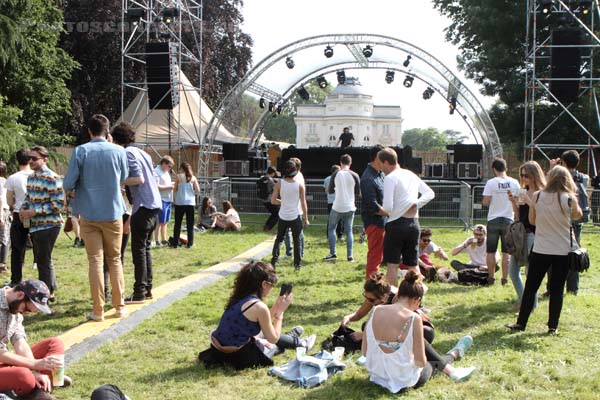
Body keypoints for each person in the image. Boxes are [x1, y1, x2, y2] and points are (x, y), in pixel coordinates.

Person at [362, 271, 476, 393]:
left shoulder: (376, 310)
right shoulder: (413, 318)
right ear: (417, 300)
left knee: (421, 355)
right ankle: (454, 355)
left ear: (398, 293)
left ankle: (454, 355)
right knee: (432, 364)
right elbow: (420, 362)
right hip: (404, 379)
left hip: (378, 374)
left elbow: (364, 352)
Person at [63, 114, 129, 321]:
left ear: (89, 131)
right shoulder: (119, 151)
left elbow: (67, 183)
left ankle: (98, 310)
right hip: (113, 212)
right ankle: (119, 307)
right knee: (115, 260)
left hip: (89, 214)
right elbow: (124, 177)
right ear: (107, 131)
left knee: (95, 261)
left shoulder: (81, 151)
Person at [507, 166, 582, 335]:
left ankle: (521, 323)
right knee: (557, 290)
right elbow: (577, 216)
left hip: (541, 248)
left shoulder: (538, 196)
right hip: (562, 250)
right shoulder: (569, 198)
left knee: (531, 286)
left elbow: (532, 221)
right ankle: (552, 326)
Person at [199, 262, 316, 370]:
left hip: (218, 350)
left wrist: (276, 306)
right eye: (272, 285)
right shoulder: (259, 307)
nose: (272, 289)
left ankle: (293, 340)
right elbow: (273, 338)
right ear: (264, 284)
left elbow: (261, 322)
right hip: (238, 357)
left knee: (265, 334)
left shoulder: (240, 296)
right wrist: (280, 312)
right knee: (273, 345)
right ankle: (300, 344)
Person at [111, 122, 162, 305]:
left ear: (117, 140)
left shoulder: (127, 153)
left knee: (138, 251)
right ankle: (147, 289)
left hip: (144, 205)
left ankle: (139, 292)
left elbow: (138, 179)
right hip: (154, 204)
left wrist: (118, 181)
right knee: (145, 248)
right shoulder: (143, 153)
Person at [0, 280, 72, 400]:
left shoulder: (15, 305)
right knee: (24, 376)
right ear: (20, 295)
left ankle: (47, 382)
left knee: (54, 343)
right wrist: (34, 365)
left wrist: (34, 370)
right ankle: (42, 386)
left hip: (4, 359)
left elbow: (20, 342)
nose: (25, 314)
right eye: (26, 310)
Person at [378, 147, 434, 287]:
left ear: (386, 162)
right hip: (414, 224)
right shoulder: (410, 174)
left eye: (381, 164)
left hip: (396, 224)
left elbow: (388, 207)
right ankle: (419, 299)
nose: (380, 167)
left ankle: (393, 300)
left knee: (392, 265)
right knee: (413, 264)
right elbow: (430, 193)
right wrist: (416, 204)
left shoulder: (390, 178)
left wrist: (379, 211)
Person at [19, 147, 65, 301]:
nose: (30, 161)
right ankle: (49, 291)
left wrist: (34, 211)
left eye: (34, 158)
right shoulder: (31, 177)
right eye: (29, 158)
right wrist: (22, 209)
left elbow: (58, 204)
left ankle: (45, 294)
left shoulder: (51, 177)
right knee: (43, 259)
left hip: (50, 224)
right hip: (36, 225)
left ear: (45, 159)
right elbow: (28, 198)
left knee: (43, 260)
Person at [544, 150, 589, 296]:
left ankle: (552, 288)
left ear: (563, 162)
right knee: (574, 254)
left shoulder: (559, 177)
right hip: (577, 220)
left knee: (553, 252)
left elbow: (546, 187)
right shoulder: (583, 178)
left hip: (561, 220)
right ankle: (572, 289)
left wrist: (552, 168)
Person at [507, 161, 545, 312]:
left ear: (534, 175)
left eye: (526, 175)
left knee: (531, 272)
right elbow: (519, 215)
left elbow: (541, 214)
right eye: (521, 175)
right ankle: (524, 301)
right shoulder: (524, 191)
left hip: (533, 235)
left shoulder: (542, 193)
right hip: (520, 235)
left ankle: (530, 305)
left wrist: (529, 200)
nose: (524, 178)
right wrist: (513, 202)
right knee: (513, 271)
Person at [481, 158, 520, 285]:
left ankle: (491, 278)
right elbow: (519, 200)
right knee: (506, 252)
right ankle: (505, 279)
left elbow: (485, 202)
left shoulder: (491, 182)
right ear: (506, 168)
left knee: (491, 251)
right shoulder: (514, 182)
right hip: (509, 218)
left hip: (493, 219)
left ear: (494, 169)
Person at [270, 161, 309, 270]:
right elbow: (303, 203)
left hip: (283, 216)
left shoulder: (279, 183)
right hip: (295, 216)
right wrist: (306, 219)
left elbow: (273, 201)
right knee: (297, 240)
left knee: (279, 239)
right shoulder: (300, 185)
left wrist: (283, 202)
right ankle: (297, 265)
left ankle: (274, 261)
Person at [324, 154, 361, 262]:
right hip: (350, 206)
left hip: (337, 206)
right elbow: (358, 192)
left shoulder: (336, 174)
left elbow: (330, 190)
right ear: (350, 163)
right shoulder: (355, 175)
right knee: (349, 231)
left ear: (340, 162)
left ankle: (333, 253)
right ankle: (350, 256)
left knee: (331, 228)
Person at [6, 149, 33, 286]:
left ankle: (16, 280)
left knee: (17, 249)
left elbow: (9, 201)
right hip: (35, 214)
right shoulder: (36, 175)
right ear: (30, 160)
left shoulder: (13, 178)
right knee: (41, 251)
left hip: (19, 214)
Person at [360, 145, 386, 279]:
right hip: (375, 223)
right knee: (375, 257)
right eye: (384, 157)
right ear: (377, 158)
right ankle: (372, 290)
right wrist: (390, 213)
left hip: (382, 222)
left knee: (378, 256)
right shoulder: (368, 178)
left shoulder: (380, 174)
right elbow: (372, 205)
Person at [171, 162, 200, 248]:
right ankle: (190, 243)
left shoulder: (178, 176)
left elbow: (175, 188)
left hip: (180, 202)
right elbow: (198, 190)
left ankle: (175, 243)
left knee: (177, 224)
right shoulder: (193, 178)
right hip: (190, 203)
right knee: (190, 224)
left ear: (182, 169)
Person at [284, 157, 305, 258]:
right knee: (298, 232)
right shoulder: (300, 175)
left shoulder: (296, 177)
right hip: (296, 209)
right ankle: (300, 252)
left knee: (288, 232)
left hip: (292, 209)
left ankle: (290, 252)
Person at [153, 155, 174, 247]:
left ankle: (164, 238)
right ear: (164, 163)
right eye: (169, 166)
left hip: (168, 199)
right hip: (161, 199)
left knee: (165, 221)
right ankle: (157, 240)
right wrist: (170, 186)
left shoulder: (165, 172)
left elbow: (166, 183)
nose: (170, 168)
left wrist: (172, 184)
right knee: (159, 221)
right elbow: (156, 186)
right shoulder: (156, 172)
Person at [324, 165, 343, 242]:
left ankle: (329, 236)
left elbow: (326, 191)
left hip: (330, 202)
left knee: (330, 219)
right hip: (338, 201)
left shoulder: (326, 179)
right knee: (340, 219)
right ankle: (339, 236)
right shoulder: (341, 179)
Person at [257, 166, 279, 232]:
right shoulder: (271, 180)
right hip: (270, 200)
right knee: (277, 214)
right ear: (273, 173)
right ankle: (268, 228)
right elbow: (274, 189)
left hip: (263, 199)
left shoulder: (262, 178)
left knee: (274, 213)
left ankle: (266, 227)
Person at [0, 161, 9, 273]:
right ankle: (2, 264)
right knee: (4, 238)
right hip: (3, 210)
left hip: (3, 210)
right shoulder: (4, 181)